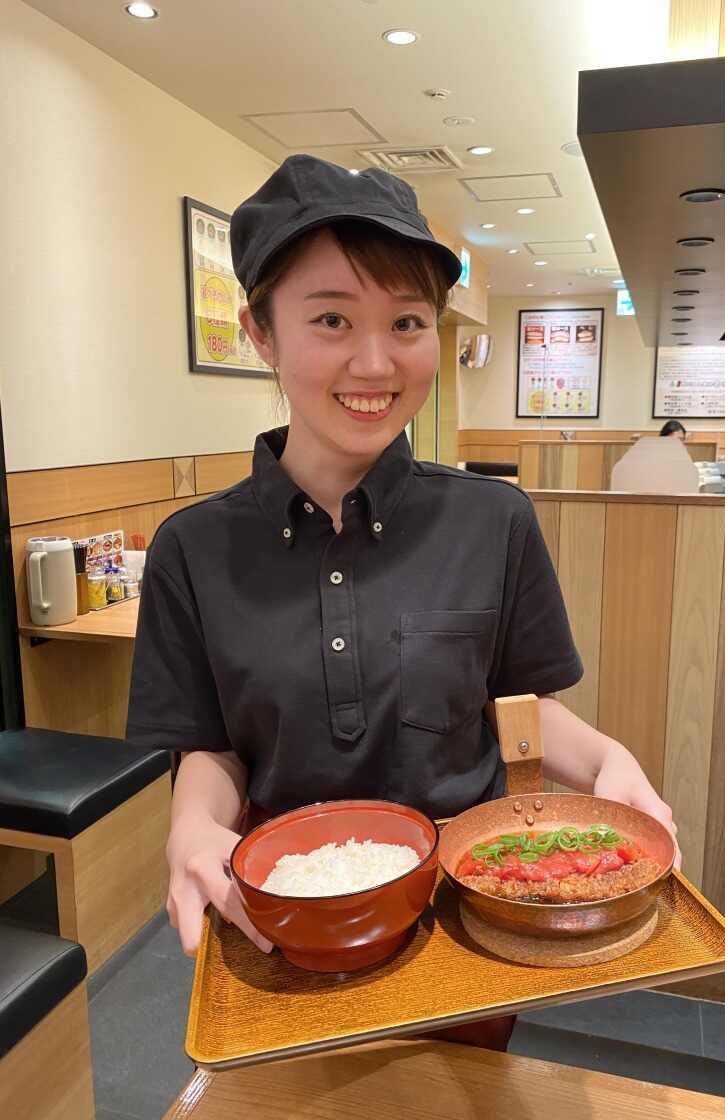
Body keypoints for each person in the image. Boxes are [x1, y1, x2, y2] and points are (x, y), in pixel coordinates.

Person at [127, 155, 678, 1048]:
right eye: (332, 319)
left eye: (407, 321)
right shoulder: (192, 549)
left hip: (464, 926)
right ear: (260, 332)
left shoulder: (494, 519)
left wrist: (610, 763)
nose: (375, 362)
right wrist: (191, 829)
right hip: (282, 931)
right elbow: (215, 750)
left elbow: (522, 710)